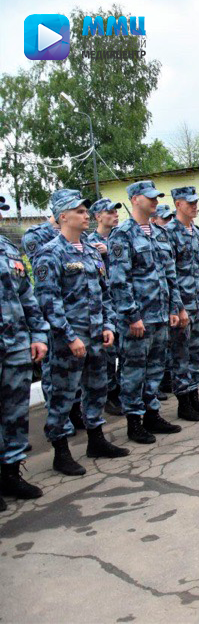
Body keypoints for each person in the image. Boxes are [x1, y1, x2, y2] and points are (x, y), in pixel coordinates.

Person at [34, 190, 129, 476]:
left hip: (96, 338)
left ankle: (96, 441)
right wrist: (70, 336)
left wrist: (108, 325)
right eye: (79, 211)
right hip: (68, 342)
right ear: (63, 216)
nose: (85, 215)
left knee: (97, 390)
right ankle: (61, 454)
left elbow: (105, 294)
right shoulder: (49, 253)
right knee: (62, 397)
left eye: (86, 211)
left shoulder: (90, 251)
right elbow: (48, 303)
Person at [109, 180, 184, 444]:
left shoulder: (159, 233)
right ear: (135, 200)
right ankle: (134, 422)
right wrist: (132, 315)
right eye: (150, 197)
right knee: (133, 371)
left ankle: (152, 414)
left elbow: (169, 274)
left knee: (155, 368)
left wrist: (174, 307)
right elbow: (119, 280)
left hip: (161, 315)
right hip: (138, 318)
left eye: (156, 197)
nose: (155, 201)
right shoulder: (122, 234)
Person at [0, 193, 49, 510]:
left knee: (15, 415)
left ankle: (10, 474)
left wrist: (38, 334)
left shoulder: (8, 249)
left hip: (16, 345)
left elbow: (27, 297)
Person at [165, 187, 199, 420]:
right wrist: (178, 307)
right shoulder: (168, 233)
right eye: (190, 203)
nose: (195, 206)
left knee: (195, 355)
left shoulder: (197, 232)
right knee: (181, 356)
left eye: (197, 202)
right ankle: (184, 403)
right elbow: (169, 275)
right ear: (178, 204)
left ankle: (195, 398)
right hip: (183, 307)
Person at [88, 198, 124, 415]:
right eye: (109, 212)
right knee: (108, 355)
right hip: (106, 305)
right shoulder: (89, 241)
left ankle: (120, 390)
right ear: (97, 217)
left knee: (125, 352)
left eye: (116, 212)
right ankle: (109, 394)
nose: (115, 215)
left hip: (124, 303)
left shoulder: (121, 237)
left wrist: (109, 250)